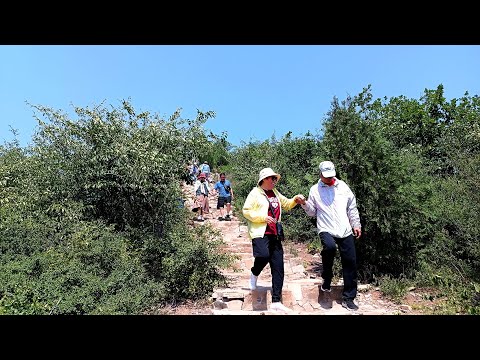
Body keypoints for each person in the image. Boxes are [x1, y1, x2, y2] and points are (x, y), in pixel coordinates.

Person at [297, 160, 362, 311]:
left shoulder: (343, 187)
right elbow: (312, 212)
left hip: (344, 228)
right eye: (326, 176)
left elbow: (351, 207)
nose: (329, 179)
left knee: (350, 261)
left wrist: (356, 224)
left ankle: (349, 298)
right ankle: (327, 276)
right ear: (320, 174)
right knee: (330, 248)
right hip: (326, 227)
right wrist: (304, 203)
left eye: (331, 176)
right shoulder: (315, 190)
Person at [242, 167, 305, 313]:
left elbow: (287, 204)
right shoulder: (255, 193)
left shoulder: (275, 193)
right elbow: (246, 211)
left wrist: (296, 199)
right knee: (263, 256)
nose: (274, 181)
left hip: (275, 233)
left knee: (278, 267)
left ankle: (276, 301)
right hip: (260, 232)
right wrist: (263, 218)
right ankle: (254, 273)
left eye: (275, 179)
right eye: (272, 179)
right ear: (264, 179)